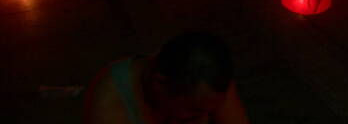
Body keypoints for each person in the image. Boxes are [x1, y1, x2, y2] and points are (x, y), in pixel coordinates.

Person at [84, 32, 250, 124]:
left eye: (211, 111)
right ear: (159, 85)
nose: (205, 119)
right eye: (195, 112)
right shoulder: (109, 112)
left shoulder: (209, 78)